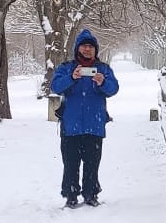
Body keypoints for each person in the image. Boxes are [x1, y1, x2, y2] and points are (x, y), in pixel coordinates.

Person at [50, 29, 119, 208]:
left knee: (92, 164)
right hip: (71, 126)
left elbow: (113, 89)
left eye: (91, 47)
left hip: (94, 126)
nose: (87, 50)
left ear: (96, 50)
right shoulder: (67, 68)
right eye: (84, 46)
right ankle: (71, 195)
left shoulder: (103, 69)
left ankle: (91, 194)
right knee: (70, 163)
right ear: (77, 49)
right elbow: (56, 86)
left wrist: (103, 82)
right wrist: (71, 78)